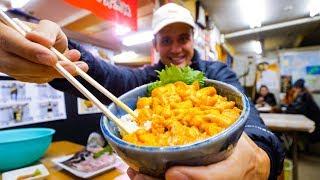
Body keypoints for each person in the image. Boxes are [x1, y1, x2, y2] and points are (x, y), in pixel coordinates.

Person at [0, 3, 284, 179]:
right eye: (166, 40)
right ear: (156, 45)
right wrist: (61, 54)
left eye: (183, 38)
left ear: (193, 39)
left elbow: (255, 127)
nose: (175, 49)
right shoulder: (147, 80)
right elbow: (105, 76)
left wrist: (260, 160)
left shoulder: (217, 73)